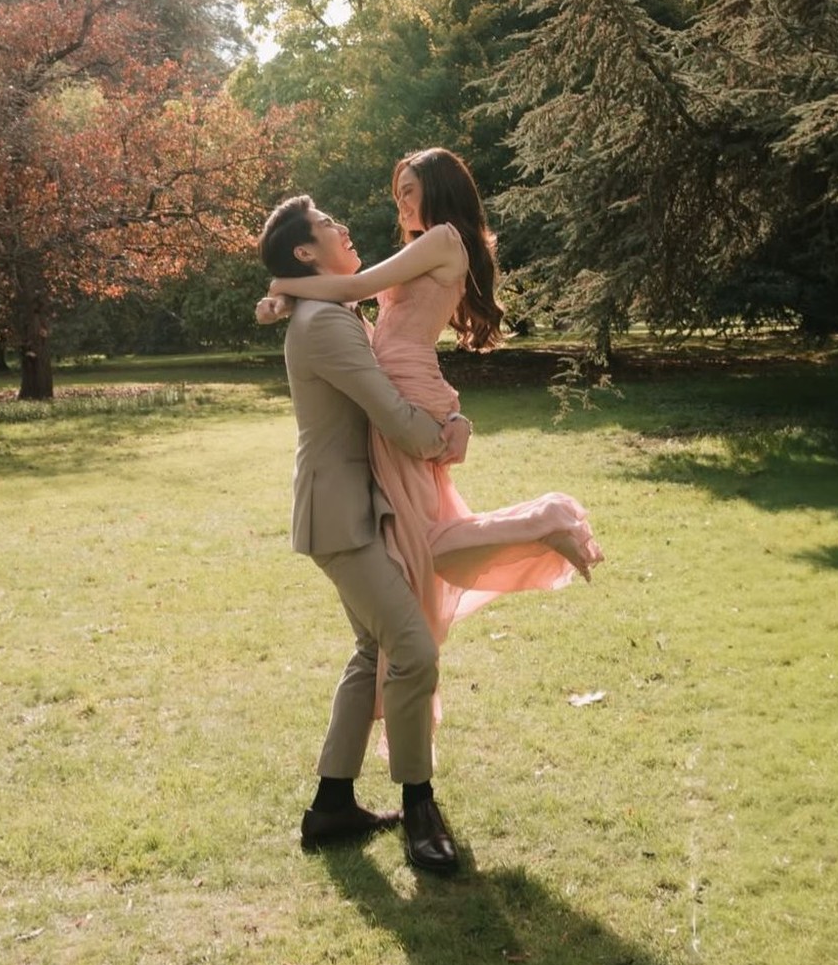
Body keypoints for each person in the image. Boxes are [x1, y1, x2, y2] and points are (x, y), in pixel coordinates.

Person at [263, 148, 603, 702]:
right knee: (423, 540)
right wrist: (282, 298)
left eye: (410, 190)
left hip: (408, 392)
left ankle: (547, 520)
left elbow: (349, 290)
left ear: (441, 190)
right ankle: (540, 527)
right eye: (398, 192)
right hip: (405, 386)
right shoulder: (428, 246)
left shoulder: (443, 238)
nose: (401, 202)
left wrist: (284, 285)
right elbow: (354, 304)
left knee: (425, 541)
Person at [258, 193, 469, 875]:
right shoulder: (327, 323)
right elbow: (388, 411)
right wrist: (448, 437)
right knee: (412, 650)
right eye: (326, 225)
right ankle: (419, 806)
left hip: (342, 507)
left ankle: (332, 803)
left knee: (371, 648)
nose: (342, 227)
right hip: (340, 513)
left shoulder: (323, 309)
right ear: (303, 251)